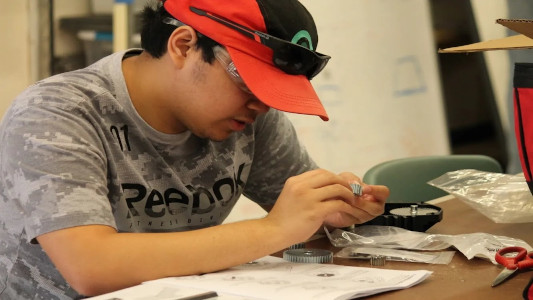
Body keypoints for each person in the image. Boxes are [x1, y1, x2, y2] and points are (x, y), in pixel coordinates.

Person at [0, 0, 388, 298]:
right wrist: (274, 229)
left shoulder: (248, 119)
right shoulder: (56, 113)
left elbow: (301, 219)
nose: (262, 106)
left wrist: (333, 208)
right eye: (251, 86)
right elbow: (90, 267)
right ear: (183, 45)